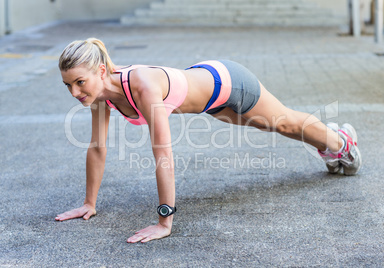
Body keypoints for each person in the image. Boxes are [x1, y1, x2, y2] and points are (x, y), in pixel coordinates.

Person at [55, 38, 362, 243]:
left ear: (100, 70)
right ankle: (330, 141)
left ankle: (342, 141)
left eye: (79, 82)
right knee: (272, 127)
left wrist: (165, 221)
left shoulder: (142, 86)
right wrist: (88, 203)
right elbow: (97, 148)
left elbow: (163, 154)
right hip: (210, 101)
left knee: (283, 121)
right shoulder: (97, 95)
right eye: (68, 84)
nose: (75, 92)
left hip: (227, 82)